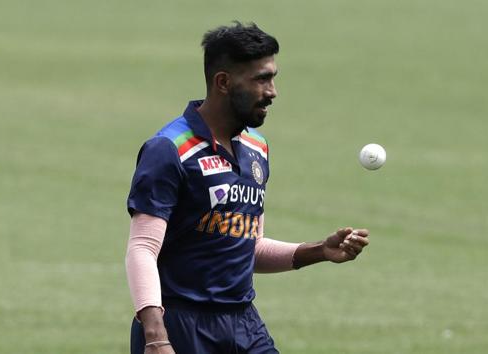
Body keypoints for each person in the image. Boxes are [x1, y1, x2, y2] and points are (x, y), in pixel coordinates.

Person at [125, 22, 370, 354]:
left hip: (243, 323)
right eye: (261, 79)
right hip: (180, 324)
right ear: (223, 82)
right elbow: (142, 248)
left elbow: (248, 247)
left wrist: (319, 252)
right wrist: (155, 336)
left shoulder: (257, 148)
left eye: (273, 77)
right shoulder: (169, 149)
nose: (272, 91)